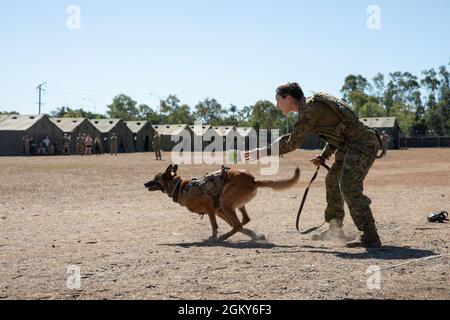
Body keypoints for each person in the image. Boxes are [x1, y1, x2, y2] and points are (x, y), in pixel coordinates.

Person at [245, 82, 382, 248]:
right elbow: (336, 132)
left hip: (361, 143)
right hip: (349, 145)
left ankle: (370, 235)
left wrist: (264, 151)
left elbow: (292, 142)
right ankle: (335, 230)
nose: (276, 104)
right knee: (332, 181)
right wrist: (324, 156)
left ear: (288, 98)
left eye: (277, 99)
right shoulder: (308, 109)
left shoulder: (310, 110)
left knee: (348, 186)